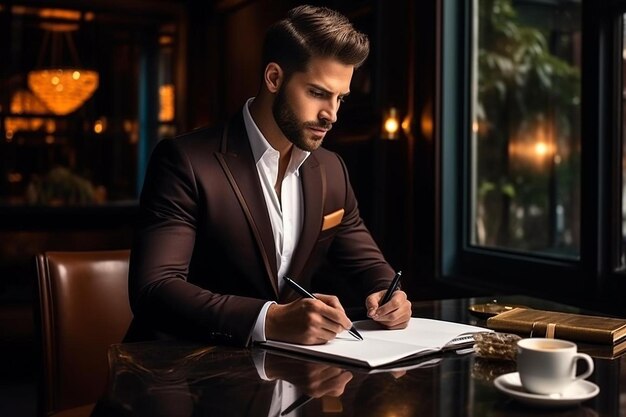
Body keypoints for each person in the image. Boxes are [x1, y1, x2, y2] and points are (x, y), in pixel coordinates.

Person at [126, 4, 412, 347]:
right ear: (274, 78)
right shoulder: (184, 160)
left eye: (340, 99)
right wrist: (268, 319)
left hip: (280, 375)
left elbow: (369, 265)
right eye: (318, 93)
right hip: (181, 377)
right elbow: (154, 289)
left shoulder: (332, 169)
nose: (331, 114)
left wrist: (388, 294)